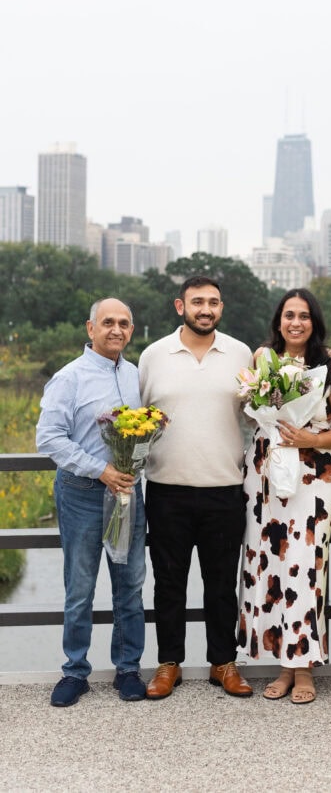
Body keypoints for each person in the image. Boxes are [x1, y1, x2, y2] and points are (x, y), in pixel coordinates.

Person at [139, 275, 255, 699]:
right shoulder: (153, 356)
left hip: (224, 487)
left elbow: (257, 413)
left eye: (213, 302)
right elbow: (139, 417)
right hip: (166, 488)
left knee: (222, 582)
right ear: (179, 306)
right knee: (168, 583)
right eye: (197, 302)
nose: (206, 309)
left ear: (221, 308)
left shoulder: (240, 353)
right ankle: (169, 663)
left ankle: (223, 663)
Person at [237, 288, 331, 704]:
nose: (296, 323)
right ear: (279, 320)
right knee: (267, 563)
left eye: (304, 315)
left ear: (314, 321)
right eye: (289, 315)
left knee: (304, 565)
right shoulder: (261, 359)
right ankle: (281, 664)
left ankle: (302, 666)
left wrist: (309, 437)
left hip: (313, 476)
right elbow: (250, 408)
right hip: (265, 474)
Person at [36, 298, 147, 707]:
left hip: (128, 495)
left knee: (130, 586)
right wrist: (98, 470)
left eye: (123, 323)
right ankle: (75, 671)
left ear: (131, 331)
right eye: (107, 323)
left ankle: (129, 669)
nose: (115, 330)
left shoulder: (135, 375)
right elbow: (48, 437)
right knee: (80, 587)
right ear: (90, 328)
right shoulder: (70, 377)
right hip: (82, 494)